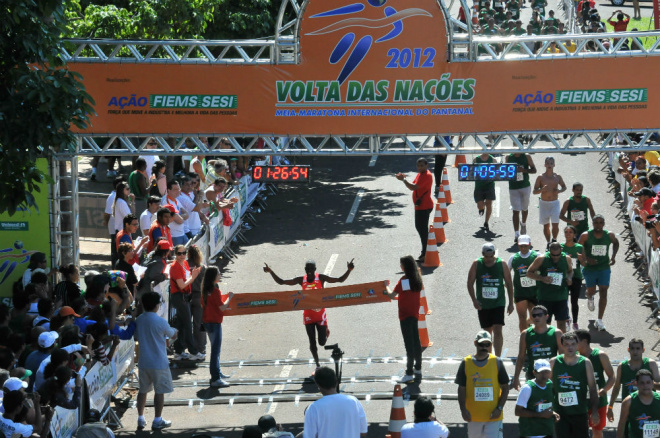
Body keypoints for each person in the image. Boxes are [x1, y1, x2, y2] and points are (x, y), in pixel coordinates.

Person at [263, 259, 355, 371]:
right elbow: (282, 282)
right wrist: (270, 271)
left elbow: (340, 280)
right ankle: (317, 365)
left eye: (311, 269)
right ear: (305, 270)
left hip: (320, 315)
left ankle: (325, 331)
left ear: (315, 269)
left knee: (322, 343)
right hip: (308, 315)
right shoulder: (301, 280)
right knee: (312, 341)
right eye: (307, 269)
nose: (309, 271)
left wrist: (349, 270)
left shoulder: (321, 278)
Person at [135, 291, 178, 431]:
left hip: (143, 362)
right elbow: (172, 335)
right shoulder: (160, 321)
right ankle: (157, 420)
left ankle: (140, 418)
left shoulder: (139, 320)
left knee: (142, 391)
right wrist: (176, 331)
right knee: (160, 391)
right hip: (159, 362)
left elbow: (135, 336)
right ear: (156, 306)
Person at [455, 330, 510, 438]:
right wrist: (463, 410)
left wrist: (499, 408)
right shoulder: (466, 363)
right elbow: (461, 389)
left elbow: (506, 388)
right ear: (475, 343)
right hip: (473, 417)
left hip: (493, 417)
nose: (484, 347)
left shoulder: (497, 362)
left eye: (487, 344)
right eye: (481, 344)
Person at [467, 243, 514, 357]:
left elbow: (509, 283)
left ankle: (497, 358)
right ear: (483, 254)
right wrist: (474, 300)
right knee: (487, 332)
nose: (489, 259)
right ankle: (489, 356)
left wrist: (511, 303)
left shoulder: (501, 264)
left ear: (494, 253)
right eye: (486, 256)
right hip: (484, 304)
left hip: (498, 303)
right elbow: (470, 283)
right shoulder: (476, 264)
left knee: (498, 330)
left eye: (491, 256)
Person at [550, 332, 600, 438]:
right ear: (562, 346)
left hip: (580, 413)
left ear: (577, 345)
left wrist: (594, 411)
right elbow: (548, 387)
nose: (570, 347)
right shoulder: (554, 362)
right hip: (560, 413)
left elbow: (592, 388)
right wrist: (550, 409)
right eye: (566, 344)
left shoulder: (585, 363)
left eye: (573, 344)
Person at [385, 255, 424, 383]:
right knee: (416, 343)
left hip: (405, 316)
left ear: (405, 266)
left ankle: (408, 373)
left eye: (401, 264)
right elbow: (406, 295)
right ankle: (418, 368)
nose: (400, 266)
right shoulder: (416, 278)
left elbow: (392, 295)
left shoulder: (404, 281)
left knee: (409, 346)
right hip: (414, 314)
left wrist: (385, 286)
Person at [578, 214, 619, 331]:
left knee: (603, 290)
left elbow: (616, 243)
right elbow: (578, 249)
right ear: (593, 223)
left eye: (601, 223)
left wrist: (613, 256)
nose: (598, 225)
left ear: (604, 224)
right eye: (596, 222)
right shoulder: (586, 236)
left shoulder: (609, 235)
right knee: (591, 291)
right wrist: (587, 259)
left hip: (604, 267)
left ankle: (599, 320)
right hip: (590, 268)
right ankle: (589, 297)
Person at [302, 366, 367, 438]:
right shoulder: (354, 401)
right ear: (336, 382)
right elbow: (363, 432)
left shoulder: (313, 408)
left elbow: (309, 436)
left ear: (318, 385)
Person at [608, 338, 660, 425]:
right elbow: (616, 387)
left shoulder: (651, 364)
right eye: (632, 348)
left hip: (649, 406)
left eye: (638, 348)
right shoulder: (622, 366)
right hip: (630, 406)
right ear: (628, 350)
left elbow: (659, 385)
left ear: (643, 350)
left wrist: (646, 385)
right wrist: (610, 407)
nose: (635, 351)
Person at [512, 305, 563, 390]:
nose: (536, 317)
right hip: (533, 375)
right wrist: (516, 377)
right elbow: (521, 357)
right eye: (534, 315)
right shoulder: (525, 334)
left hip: (551, 376)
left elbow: (562, 356)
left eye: (539, 315)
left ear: (547, 316)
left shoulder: (556, 333)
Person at [525, 242, 573, 333]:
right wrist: (542, 278)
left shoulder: (567, 259)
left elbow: (570, 271)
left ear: (561, 251)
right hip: (545, 297)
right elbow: (528, 273)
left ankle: (561, 345)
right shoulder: (541, 259)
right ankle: (547, 343)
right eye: (552, 255)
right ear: (549, 251)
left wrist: (569, 278)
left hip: (561, 296)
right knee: (545, 323)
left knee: (562, 323)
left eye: (558, 255)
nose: (555, 257)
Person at [575, 329, 614, 438]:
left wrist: (605, 389)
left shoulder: (600, 355)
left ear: (585, 341)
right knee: (579, 431)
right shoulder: (573, 357)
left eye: (576, 341)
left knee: (597, 431)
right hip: (580, 401)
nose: (573, 344)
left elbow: (612, 376)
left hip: (598, 401)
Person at [395, 157, 434, 261]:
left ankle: (426, 253)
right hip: (420, 206)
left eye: (422, 165)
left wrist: (403, 179)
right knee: (421, 229)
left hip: (424, 206)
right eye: (418, 165)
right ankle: (428, 249)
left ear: (427, 165)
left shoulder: (427, 175)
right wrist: (404, 179)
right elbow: (412, 185)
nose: (420, 167)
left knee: (422, 230)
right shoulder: (420, 174)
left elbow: (413, 187)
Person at [201, 266, 234, 388]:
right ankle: (215, 378)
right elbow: (222, 307)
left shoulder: (204, 290)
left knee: (215, 350)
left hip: (207, 322)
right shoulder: (215, 291)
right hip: (214, 323)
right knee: (215, 351)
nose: (220, 275)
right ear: (213, 276)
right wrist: (229, 298)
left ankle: (217, 373)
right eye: (218, 273)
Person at [169, 244, 203, 361]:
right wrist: (194, 277)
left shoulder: (185, 264)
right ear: (175, 254)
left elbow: (187, 279)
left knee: (181, 324)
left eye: (184, 253)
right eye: (179, 253)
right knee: (188, 324)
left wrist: (193, 275)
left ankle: (178, 351)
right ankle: (193, 352)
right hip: (179, 297)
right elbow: (182, 284)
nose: (182, 255)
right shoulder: (174, 267)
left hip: (185, 296)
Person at [515, 359, 559, 438]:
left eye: (546, 372)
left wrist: (553, 413)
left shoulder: (550, 385)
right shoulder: (527, 388)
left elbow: (547, 406)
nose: (544, 375)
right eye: (541, 372)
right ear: (534, 373)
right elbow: (518, 411)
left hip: (547, 433)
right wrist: (540, 415)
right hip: (530, 434)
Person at [508, 235, 539, 332]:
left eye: (525, 245)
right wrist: (505, 282)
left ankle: (534, 336)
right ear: (518, 245)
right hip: (520, 292)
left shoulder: (537, 256)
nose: (523, 248)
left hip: (535, 292)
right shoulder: (513, 258)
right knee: (522, 317)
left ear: (530, 244)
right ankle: (524, 339)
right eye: (521, 246)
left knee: (536, 318)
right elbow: (506, 271)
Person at [533, 156, 567, 246]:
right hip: (544, 203)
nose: (549, 165)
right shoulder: (540, 177)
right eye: (547, 163)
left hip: (554, 203)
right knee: (546, 225)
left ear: (554, 165)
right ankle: (548, 243)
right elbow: (534, 191)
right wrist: (541, 190)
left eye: (551, 163)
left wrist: (559, 191)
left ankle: (554, 239)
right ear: (544, 165)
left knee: (555, 224)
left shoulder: (557, 177)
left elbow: (564, 187)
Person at [616, 369, 660, 438]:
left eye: (648, 382)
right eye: (642, 383)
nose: (645, 385)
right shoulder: (628, 401)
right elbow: (622, 423)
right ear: (636, 384)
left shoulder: (659, 400)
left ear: (652, 383)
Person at [506, 153, 536, 241]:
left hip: (525, 186)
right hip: (513, 187)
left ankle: (523, 224)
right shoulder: (508, 157)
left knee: (525, 208)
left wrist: (523, 170)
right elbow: (505, 172)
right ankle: (516, 233)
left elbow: (534, 170)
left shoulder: (527, 156)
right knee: (515, 210)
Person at [561, 225, 585, 330]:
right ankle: (567, 319)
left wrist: (581, 259)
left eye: (570, 232)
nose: (568, 234)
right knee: (563, 300)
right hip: (564, 277)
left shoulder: (579, 247)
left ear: (574, 234)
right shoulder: (561, 247)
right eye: (566, 232)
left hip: (576, 277)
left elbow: (585, 263)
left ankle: (575, 322)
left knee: (574, 301)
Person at [187, 245, 207, 356]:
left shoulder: (185, 265)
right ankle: (201, 347)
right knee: (199, 323)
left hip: (188, 297)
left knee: (186, 324)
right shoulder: (202, 267)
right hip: (199, 298)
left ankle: (190, 347)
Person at [472, 153, 497, 231]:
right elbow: (472, 172)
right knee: (480, 205)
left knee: (489, 203)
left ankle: (486, 222)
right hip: (479, 186)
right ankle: (481, 208)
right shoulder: (476, 160)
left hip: (489, 185)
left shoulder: (493, 160)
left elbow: (497, 173)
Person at [160, 180, 189, 246]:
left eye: (179, 189)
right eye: (175, 189)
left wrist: (180, 216)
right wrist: (182, 216)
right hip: (175, 236)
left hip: (182, 233)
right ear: (168, 190)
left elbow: (187, 215)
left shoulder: (176, 199)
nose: (178, 191)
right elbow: (179, 220)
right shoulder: (167, 202)